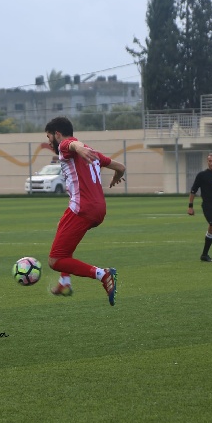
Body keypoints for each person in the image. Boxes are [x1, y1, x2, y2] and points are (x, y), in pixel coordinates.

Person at [45, 117, 126, 306]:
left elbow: (71, 144)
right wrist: (116, 177)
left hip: (83, 208)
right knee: (62, 232)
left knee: (55, 260)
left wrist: (78, 147)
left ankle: (102, 274)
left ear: (57, 134)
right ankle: (65, 282)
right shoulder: (93, 152)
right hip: (98, 208)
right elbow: (121, 167)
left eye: (49, 137)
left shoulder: (67, 145)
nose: (49, 142)